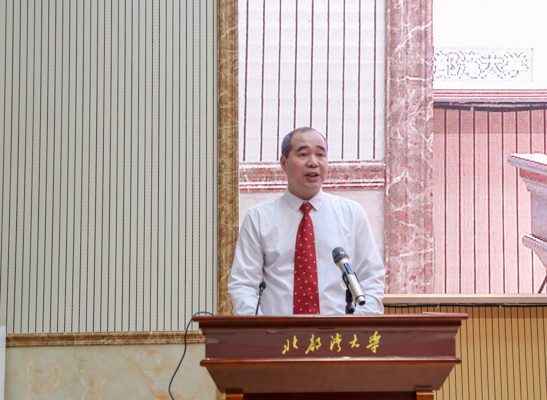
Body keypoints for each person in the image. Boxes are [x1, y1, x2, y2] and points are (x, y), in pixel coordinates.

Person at [228, 127, 385, 315]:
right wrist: (262, 330)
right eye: (303, 154)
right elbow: (243, 285)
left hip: (339, 331)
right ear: (283, 163)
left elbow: (371, 279)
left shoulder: (352, 214)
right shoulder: (258, 218)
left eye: (320, 155)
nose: (313, 162)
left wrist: (357, 327)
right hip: (278, 332)